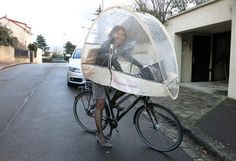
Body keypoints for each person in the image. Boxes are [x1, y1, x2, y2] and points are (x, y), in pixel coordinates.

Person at [93, 25, 145, 148]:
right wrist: (111, 58)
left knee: (125, 83)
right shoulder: (107, 44)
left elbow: (128, 57)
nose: (119, 36)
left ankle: (112, 102)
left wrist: (142, 66)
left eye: (122, 35)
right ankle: (100, 136)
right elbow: (104, 57)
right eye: (117, 33)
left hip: (108, 73)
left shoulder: (119, 48)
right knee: (100, 104)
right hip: (98, 74)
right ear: (112, 34)